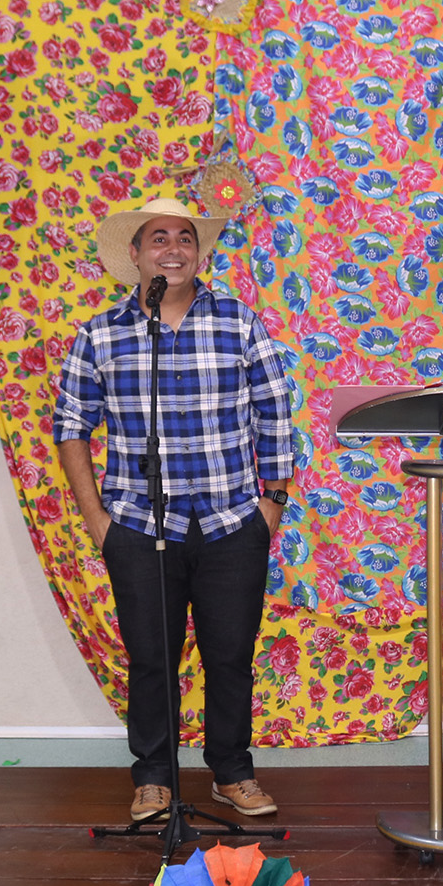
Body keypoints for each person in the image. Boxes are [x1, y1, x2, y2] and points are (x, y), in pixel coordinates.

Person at [54, 195, 293, 823]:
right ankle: (155, 778)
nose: (173, 249)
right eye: (158, 238)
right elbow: (71, 425)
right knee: (152, 659)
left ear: (199, 253)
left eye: (185, 238)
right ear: (135, 255)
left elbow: (275, 411)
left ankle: (231, 772)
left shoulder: (239, 322)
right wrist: (98, 520)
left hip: (231, 523)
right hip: (138, 524)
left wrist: (271, 503)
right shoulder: (100, 334)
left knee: (230, 655)